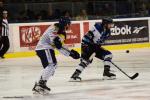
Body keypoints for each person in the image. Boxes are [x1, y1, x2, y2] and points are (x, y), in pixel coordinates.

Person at [32, 17, 80, 94]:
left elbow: (59, 45)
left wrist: (70, 52)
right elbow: (56, 44)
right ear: (65, 24)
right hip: (44, 48)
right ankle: (40, 85)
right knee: (51, 65)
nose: (69, 26)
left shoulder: (60, 31)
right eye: (68, 24)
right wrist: (70, 53)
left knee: (53, 66)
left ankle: (40, 84)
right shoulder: (54, 28)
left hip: (45, 48)